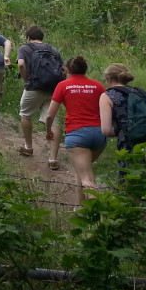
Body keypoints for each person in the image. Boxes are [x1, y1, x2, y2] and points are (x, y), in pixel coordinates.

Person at [45, 55, 106, 206]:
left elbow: (49, 115)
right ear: (85, 69)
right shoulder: (98, 85)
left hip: (77, 133)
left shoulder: (63, 85)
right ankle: (80, 209)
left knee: (87, 179)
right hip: (99, 134)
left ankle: (98, 216)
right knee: (81, 171)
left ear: (67, 70)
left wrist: (48, 131)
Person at [16, 26, 63, 169]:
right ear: (41, 37)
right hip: (53, 89)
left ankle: (28, 147)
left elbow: (21, 64)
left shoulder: (24, 48)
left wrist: (27, 80)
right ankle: (53, 159)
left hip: (33, 87)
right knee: (54, 121)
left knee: (25, 115)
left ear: (28, 37)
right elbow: (64, 69)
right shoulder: (52, 49)